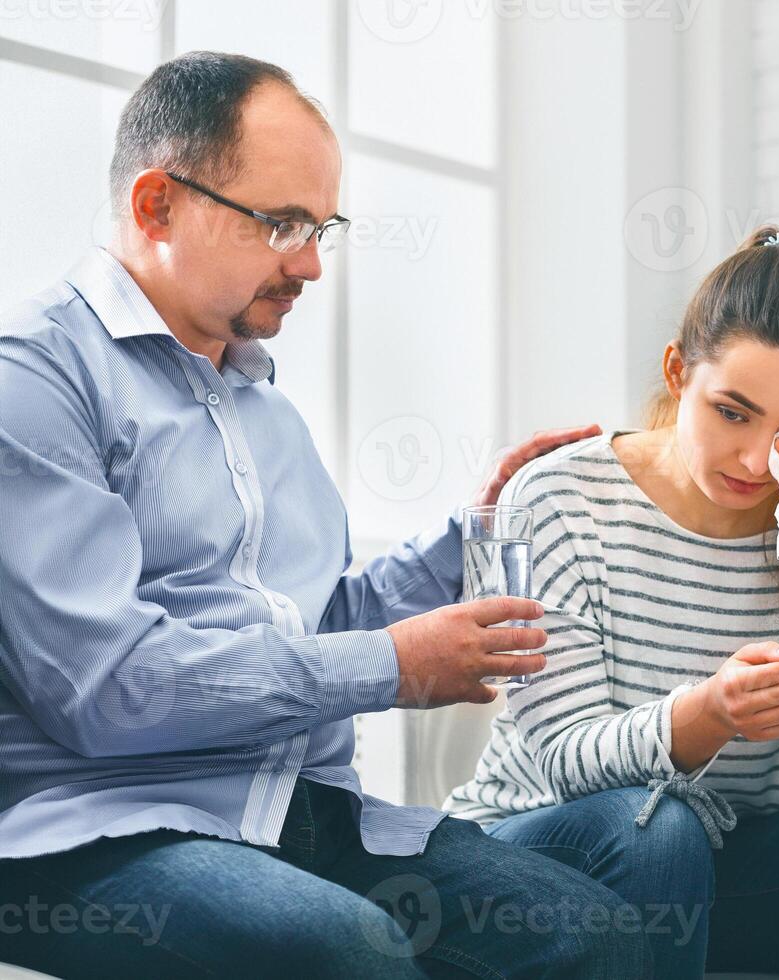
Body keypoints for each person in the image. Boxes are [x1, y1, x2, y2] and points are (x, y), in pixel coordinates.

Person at [0, 52, 648, 979]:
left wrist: (467, 536)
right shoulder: (35, 375)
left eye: (320, 227)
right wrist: (394, 666)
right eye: (281, 224)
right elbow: (108, 687)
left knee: (599, 936)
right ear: (156, 205)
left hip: (307, 813)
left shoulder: (269, 413)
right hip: (108, 828)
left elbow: (317, 627)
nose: (308, 261)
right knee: (345, 947)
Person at [445, 226, 779, 977]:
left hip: (720, 867)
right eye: (733, 412)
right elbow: (565, 762)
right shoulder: (561, 497)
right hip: (537, 846)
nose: (759, 459)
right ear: (676, 371)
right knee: (661, 828)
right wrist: (711, 714)